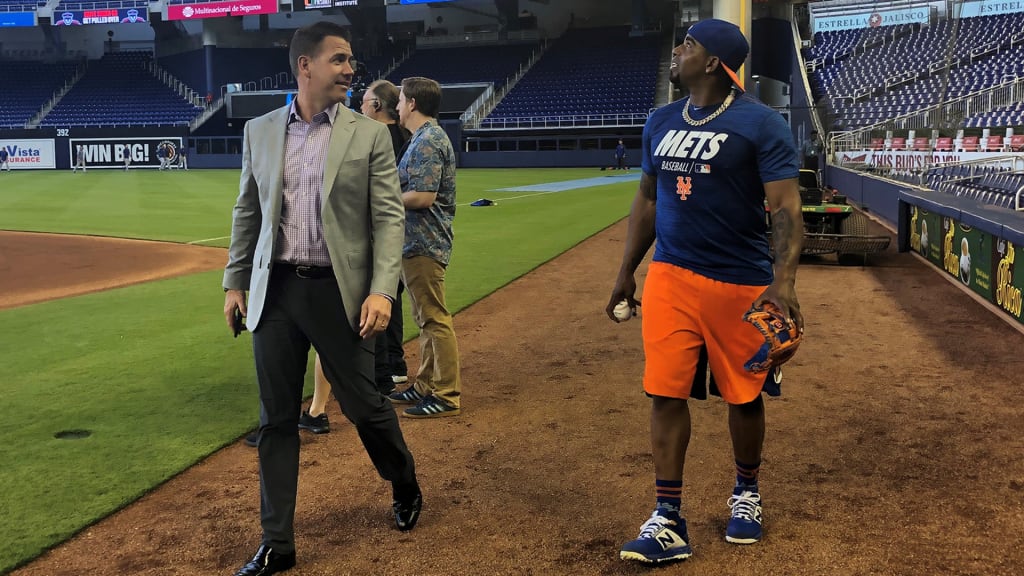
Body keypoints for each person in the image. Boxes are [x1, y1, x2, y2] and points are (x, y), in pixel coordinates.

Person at [223, 22, 421, 576]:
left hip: (340, 292)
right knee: (276, 418)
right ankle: (277, 543)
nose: (350, 69)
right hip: (276, 290)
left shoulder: (369, 134)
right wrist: (234, 282)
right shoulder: (260, 131)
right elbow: (248, 210)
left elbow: (389, 218)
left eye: (351, 60)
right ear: (304, 66)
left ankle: (403, 479)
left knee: (364, 407)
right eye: (339, 59)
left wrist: (382, 289)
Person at [607, 19, 803, 564]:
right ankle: (668, 518)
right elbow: (648, 199)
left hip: (739, 281)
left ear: (714, 62)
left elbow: (785, 206)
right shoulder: (661, 120)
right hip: (671, 275)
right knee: (664, 391)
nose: (677, 50)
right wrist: (626, 270)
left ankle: (747, 492)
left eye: (689, 44)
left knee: (743, 395)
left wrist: (784, 282)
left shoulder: (760, 123)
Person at [387, 76, 462, 418]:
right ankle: (425, 385)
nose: (397, 106)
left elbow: (423, 196)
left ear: (413, 103)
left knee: (434, 318)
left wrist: (383, 199)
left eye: (401, 100)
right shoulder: (423, 138)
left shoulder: (429, 140)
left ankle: (446, 395)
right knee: (425, 318)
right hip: (416, 242)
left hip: (424, 242)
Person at [361, 79, 412, 393]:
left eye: (365, 101)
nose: (360, 107)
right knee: (392, 298)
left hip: (378, 233)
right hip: (404, 234)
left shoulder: (374, 138)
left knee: (374, 298)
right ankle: (396, 365)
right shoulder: (406, 136)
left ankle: (379, 373)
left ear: (377, 105)